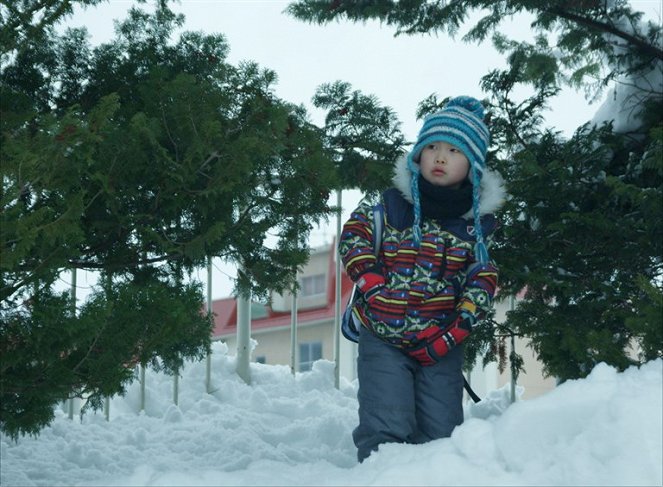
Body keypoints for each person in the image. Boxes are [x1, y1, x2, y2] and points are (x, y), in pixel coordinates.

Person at [338, 96, 506, 462]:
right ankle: (381, 476)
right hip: (382, 334)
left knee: (442, 433)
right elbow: (354, 235)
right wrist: (371, 281)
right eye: (431, 147)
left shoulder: (475, 228)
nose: (440, 157)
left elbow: (482, 277)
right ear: (418, 155)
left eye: (453, 151)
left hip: (439, 342)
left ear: (473, 167)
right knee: (386, 419)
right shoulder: (391, 204)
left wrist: (459, 326)